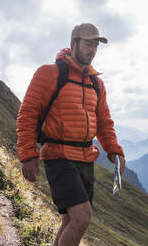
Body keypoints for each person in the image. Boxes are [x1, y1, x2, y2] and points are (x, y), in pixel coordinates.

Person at [17, 23, 126, 246]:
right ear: (73, 43)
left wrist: (115, 151)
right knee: (82, 216)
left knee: (70, 219)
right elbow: (27, 114)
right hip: (58, 155)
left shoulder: (97, 83)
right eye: (88, 44)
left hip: (85, 158)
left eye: (96, 46)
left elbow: (104, 122)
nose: (93, 50)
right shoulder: (49, 73)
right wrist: (28, 154)